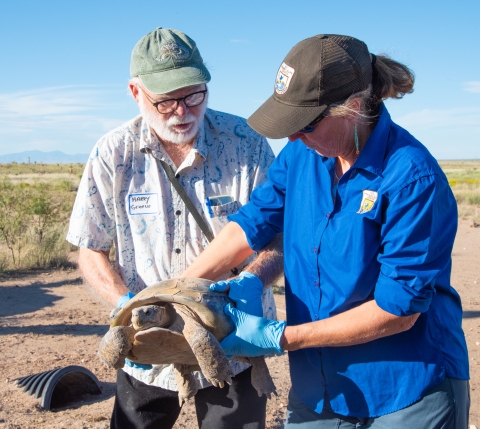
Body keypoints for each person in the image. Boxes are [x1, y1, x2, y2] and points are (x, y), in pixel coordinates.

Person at [181, 34, 470, 428]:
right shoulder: (303, 155)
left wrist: (280, 337)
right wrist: (176, 292)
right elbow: (252, 223)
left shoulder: (411, 178)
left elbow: (397, 311)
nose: (293, 137)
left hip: (405, 389)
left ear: (352, 108)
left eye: (305, 124)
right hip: (319, 388)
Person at [67, 27, 283, 429]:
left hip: (231, 343)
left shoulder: (247, 144)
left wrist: (252, 281)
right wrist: (123, 306)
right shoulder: (113, 153)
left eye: (193, 95)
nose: (182, 111)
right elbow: (90, 248)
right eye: (165, 101)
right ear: (136, 92)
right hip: (147, 352)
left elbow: (279, 240)